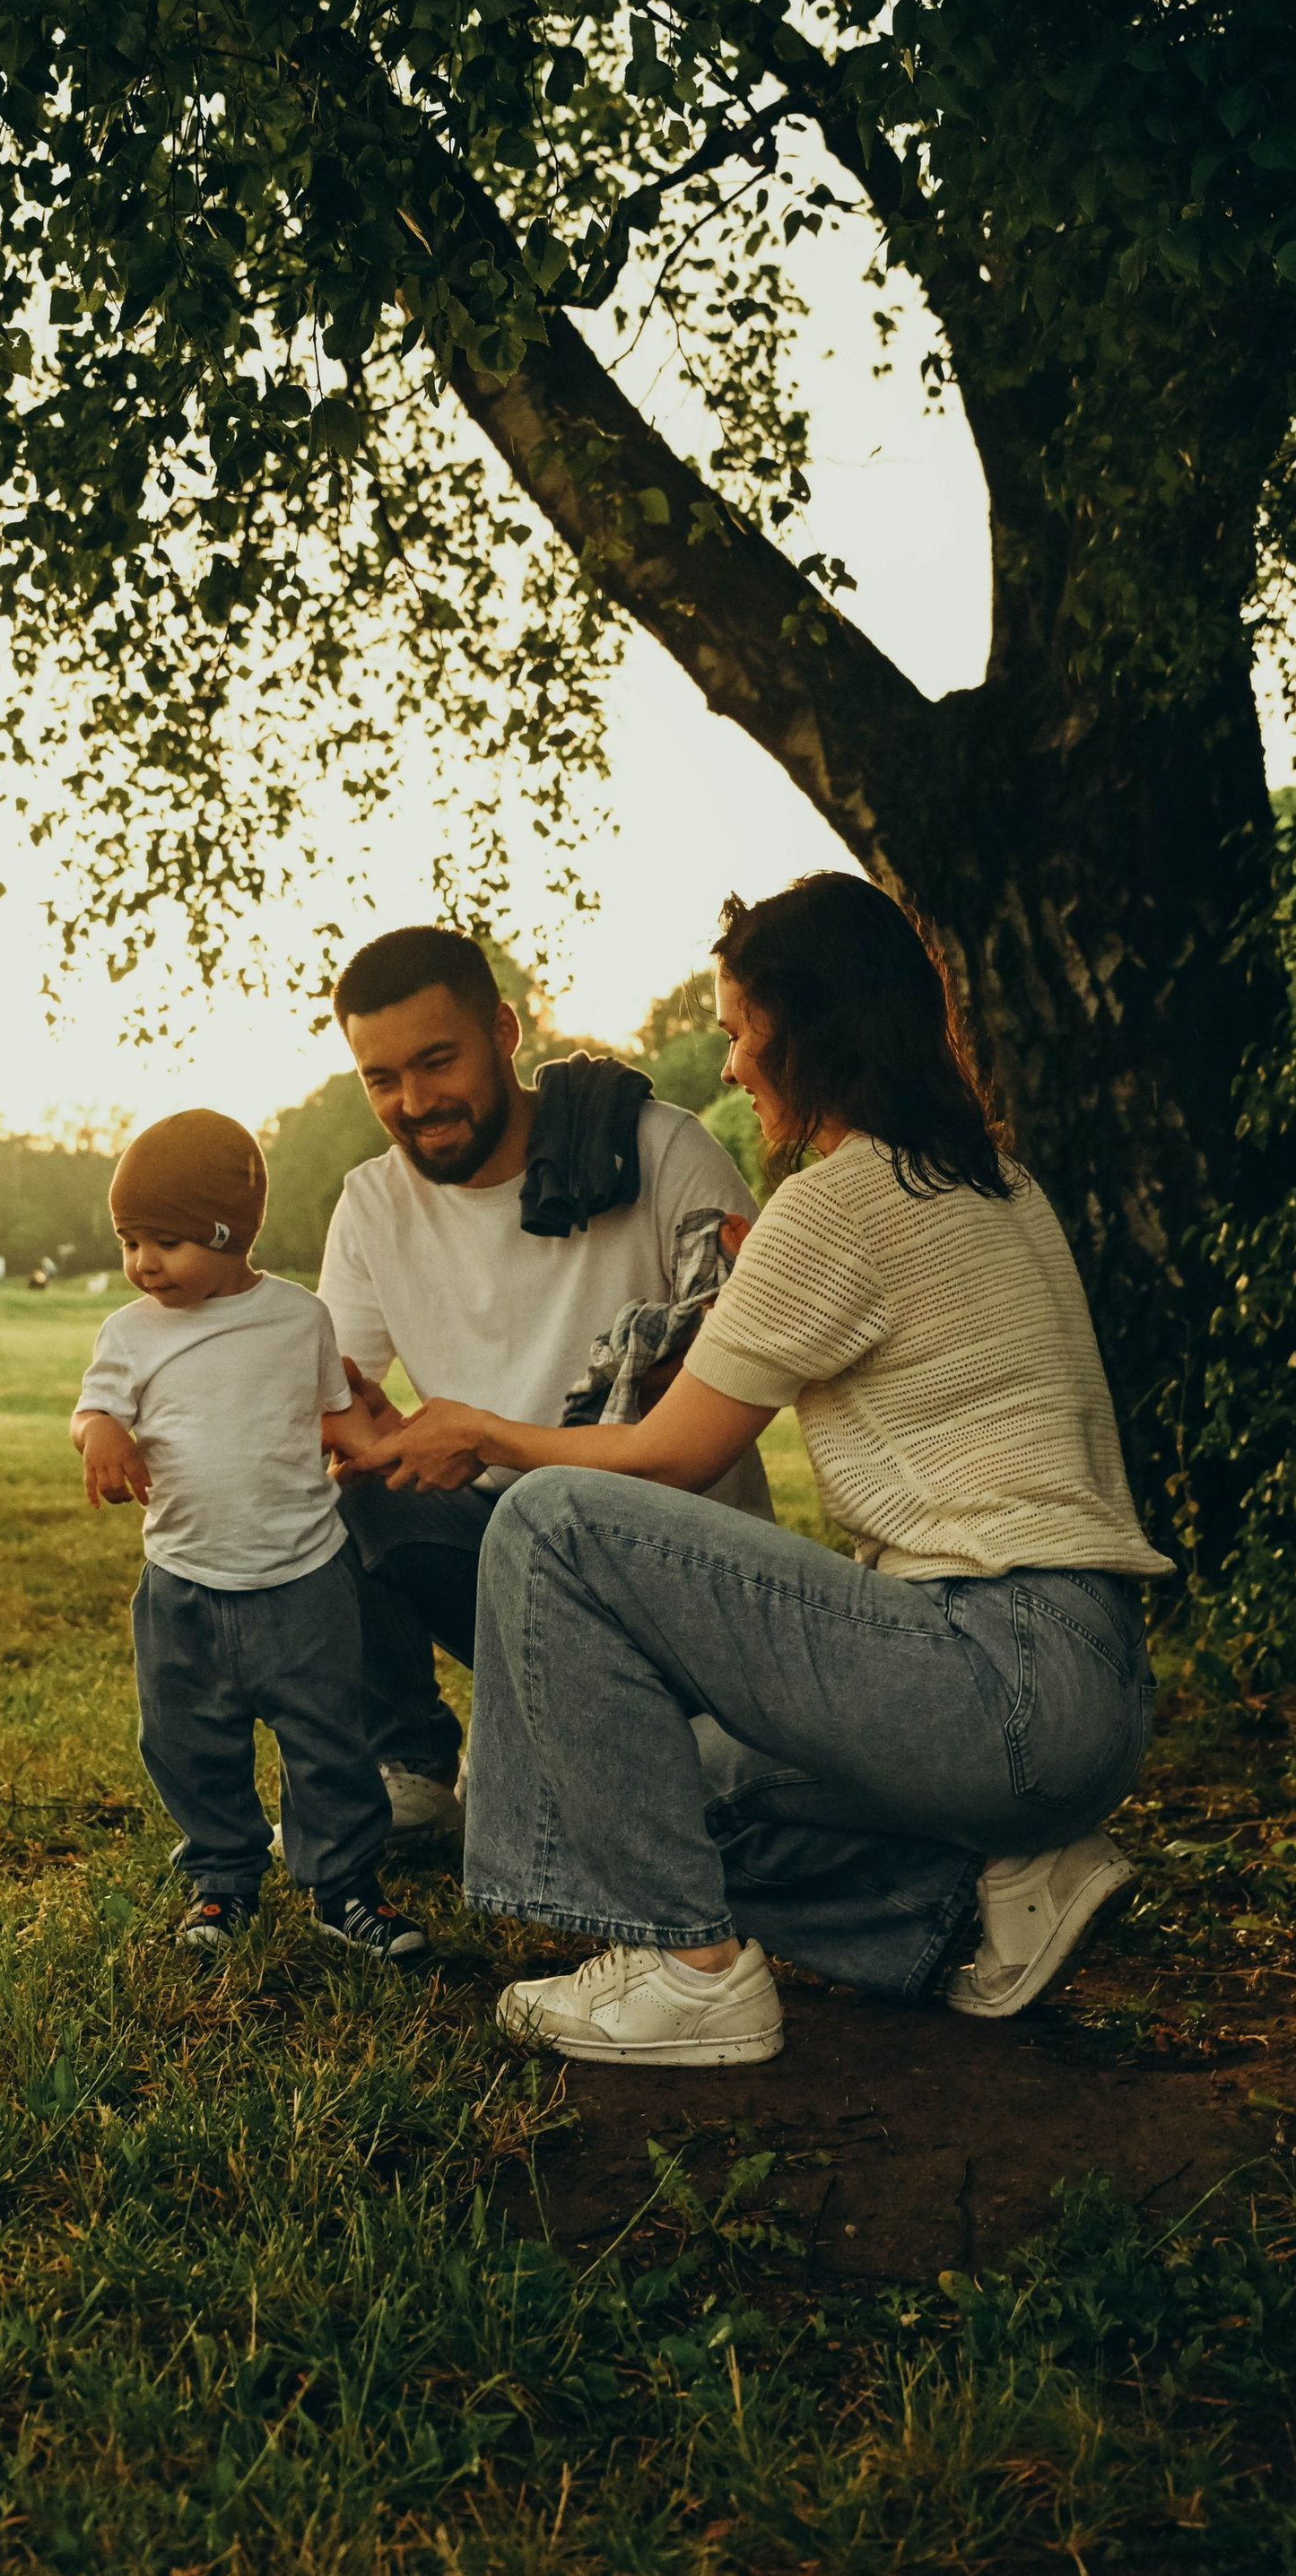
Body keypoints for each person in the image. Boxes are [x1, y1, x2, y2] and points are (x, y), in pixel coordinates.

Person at [363, 875, 1170, 2066]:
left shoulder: (839, 1203)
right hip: (1087, 1689)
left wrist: (484, 1435)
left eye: (740, 1033)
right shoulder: (1000, 1182)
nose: (732, 1066)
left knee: (548, 1523)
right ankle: (981, 1900)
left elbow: (666, 1457)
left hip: (991, 1670)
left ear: (806, 1026)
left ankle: (690, 1974)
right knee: (636, 1789)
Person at [317, 926, 766, 1850]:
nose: (414, 1101)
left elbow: (723, 1388)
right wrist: (361, 1433)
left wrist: (479, 1437)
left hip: (676, 1569)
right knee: (328, 1504)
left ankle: (591, 1732)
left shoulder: (660, 1149)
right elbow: (339, 1397)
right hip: (502, 1550)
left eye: (437, 1061)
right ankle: (408, 1774)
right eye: (381, 1078)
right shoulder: (372, 1203)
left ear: (505, 1032)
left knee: (653, 1802)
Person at [71, 1107, 426, 1967]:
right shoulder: (130, 1332)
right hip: (182, 1584)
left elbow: (336, 1420)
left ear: (231, 1234)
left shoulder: (299, 1319)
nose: (144, 1263)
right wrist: (103, 1436)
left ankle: (344, 1888)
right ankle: (224, 1876)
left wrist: (396, 1453)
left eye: (170, 1240)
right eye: (130, 1240)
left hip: (303, 1577)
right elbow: (92, 1412)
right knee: (188, 1742)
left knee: (328, 1739)